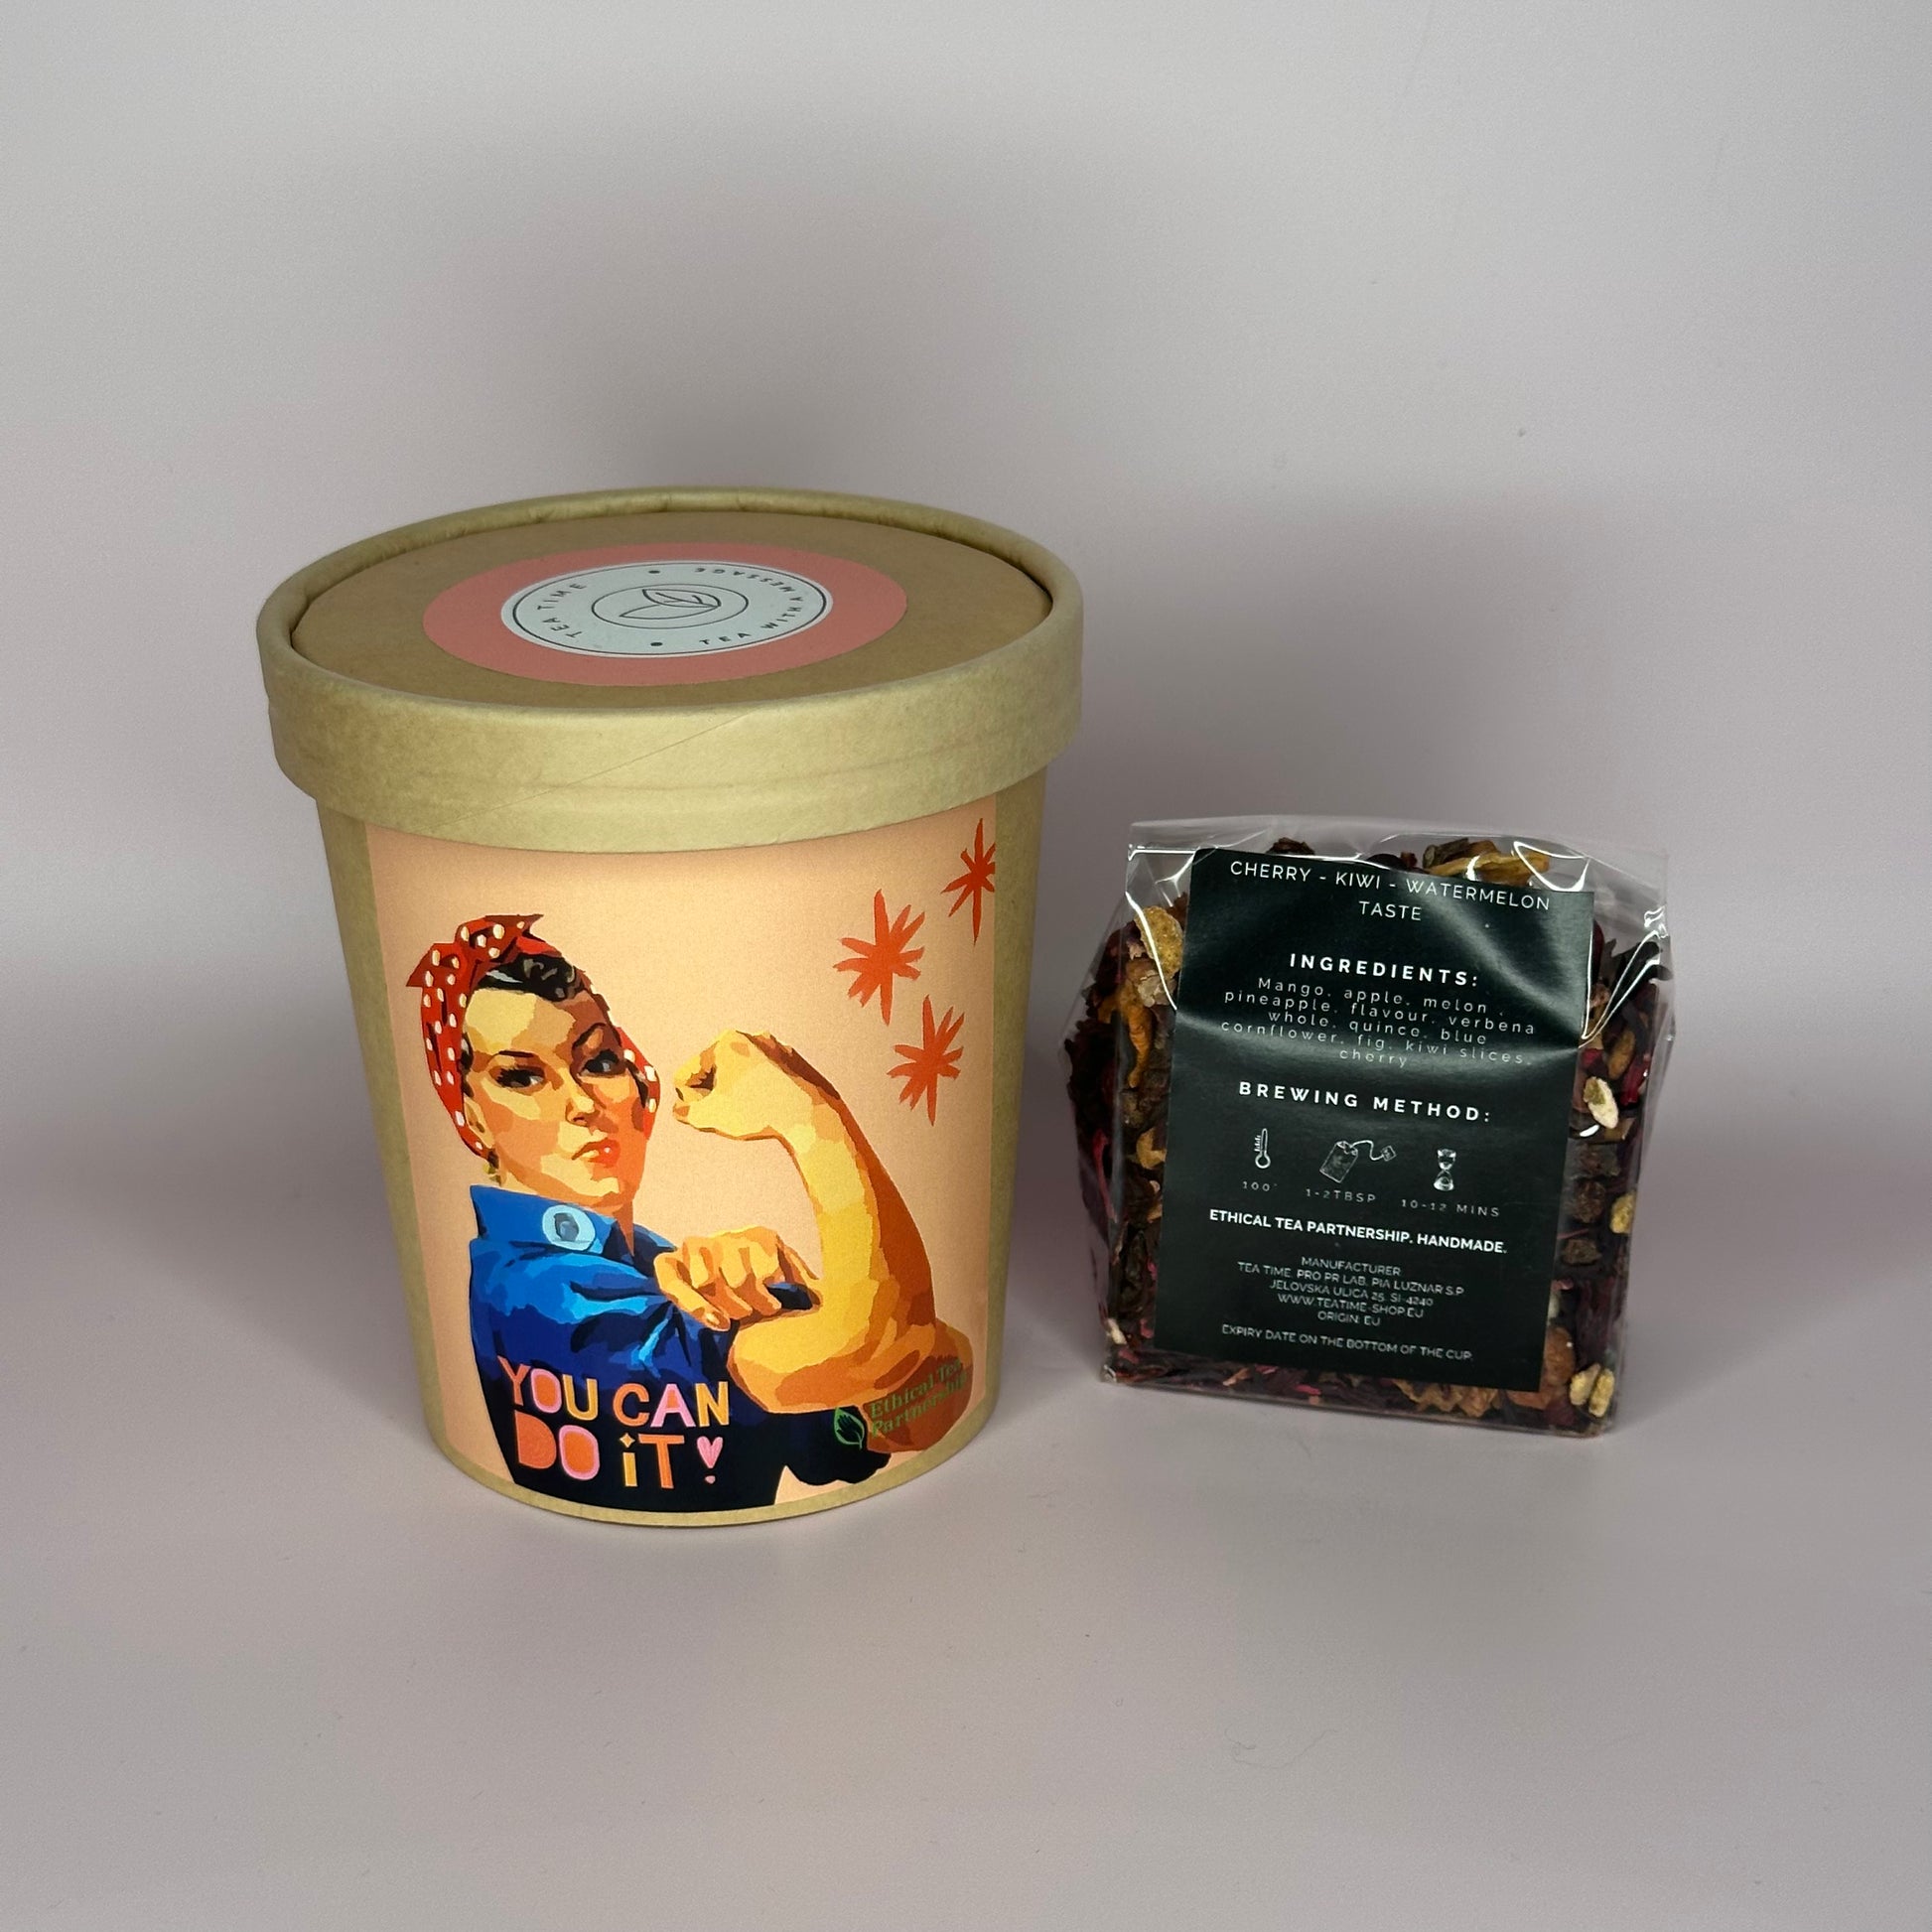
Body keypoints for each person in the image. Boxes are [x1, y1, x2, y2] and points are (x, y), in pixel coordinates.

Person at [408, 915, 972, 1512]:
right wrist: (809, 1119)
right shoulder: (533, 1290)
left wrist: (806, 1292)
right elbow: (880, 1346)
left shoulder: (654, 1262)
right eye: (521, 1077)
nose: (580, 1103)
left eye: (598, 1062)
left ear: (637, 1082)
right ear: (473, 1116)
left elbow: (924, 1406)